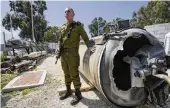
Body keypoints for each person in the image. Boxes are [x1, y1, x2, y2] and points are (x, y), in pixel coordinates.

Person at [56, 7, 95, 105]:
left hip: (73, 53)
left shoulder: (78, 26)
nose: (66, 13)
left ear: (73, 14)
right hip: (63, 54)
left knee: (74, 74)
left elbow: (86, 37)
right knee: (66, 73)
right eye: (65, 12)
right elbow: (59, 40)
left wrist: (90, 48)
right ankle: (68, 90)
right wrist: (57, 51)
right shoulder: (62, 27)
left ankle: (78, 94)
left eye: (68, 11)